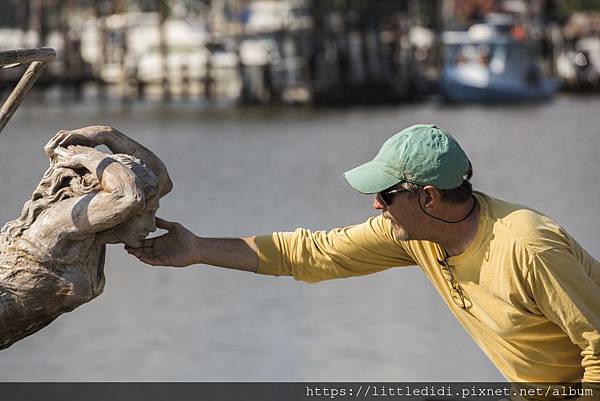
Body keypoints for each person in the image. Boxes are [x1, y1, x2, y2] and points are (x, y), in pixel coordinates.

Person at [126, 124, 599, 394]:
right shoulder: (414, 235)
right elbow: (310, 253)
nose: (375, 205)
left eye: (385, 194)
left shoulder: (528, 247)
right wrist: (199, 250)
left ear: (429, 197)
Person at [0, 125, 172, 349]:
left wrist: (107, 134)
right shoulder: (58, 225)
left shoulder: (92, 234)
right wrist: (81, 155)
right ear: (101, 198)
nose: (152, 226)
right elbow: (127, 197)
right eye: (147, 213)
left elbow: (162, 181)